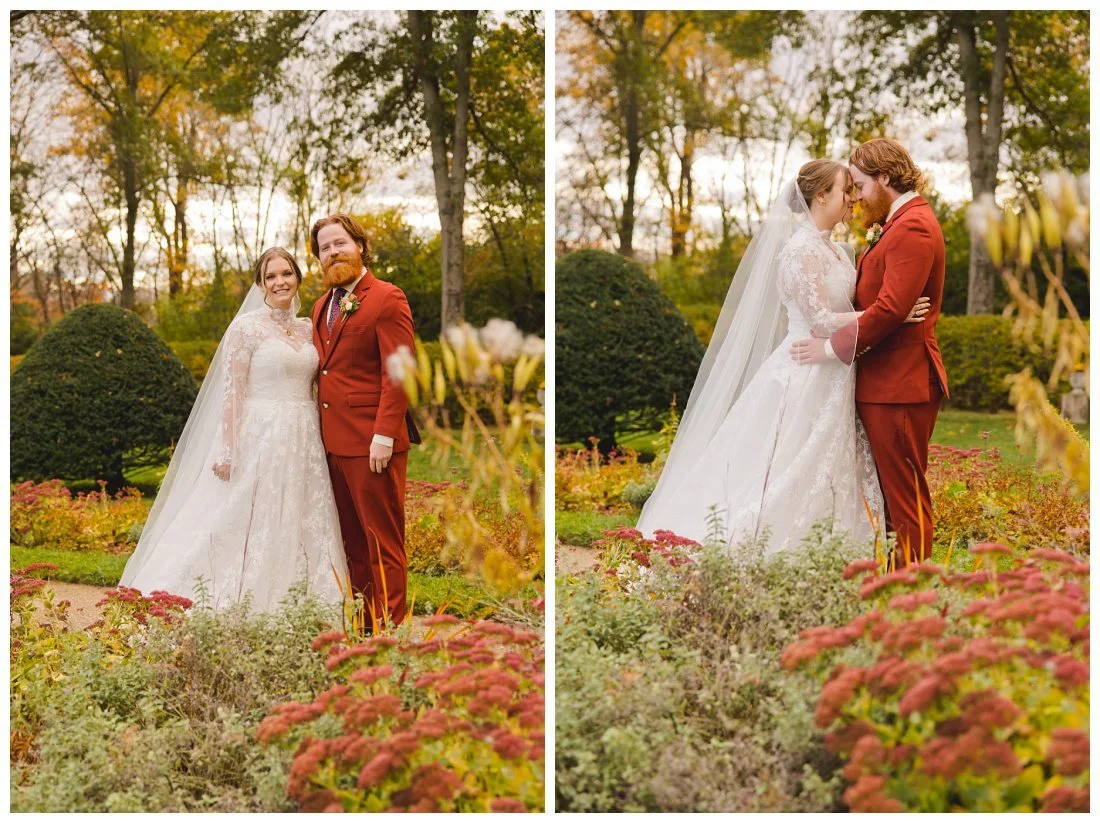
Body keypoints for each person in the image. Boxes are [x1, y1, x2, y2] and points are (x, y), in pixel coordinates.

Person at [636, 159, 929, 555]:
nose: (853, 200)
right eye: (846, 191)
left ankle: (830, 559)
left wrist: (882, 312)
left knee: (832, 471)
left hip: (838, 374)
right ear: (820, 195)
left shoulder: (841, 252)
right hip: (805, 372)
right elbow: (821, 319)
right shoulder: (798, 251)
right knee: (790, 469)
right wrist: (890, 314)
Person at [120, 248, 349, 611]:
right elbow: (233, 391)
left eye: (286, 274)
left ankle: (302, 604)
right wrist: (228, 450)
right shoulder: (245, 329)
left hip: (305, 437)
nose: (279, 282)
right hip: (261, 434)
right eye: (270, 276)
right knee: (240, 517)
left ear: (298, 279)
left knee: (301, 517)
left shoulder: (310, 329)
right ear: (260, 284)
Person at [790, 139, 949, 564]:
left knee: (905, 498)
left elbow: (892, 308)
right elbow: (885, 307)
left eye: (859, 185)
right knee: (892, 498)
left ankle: (911, 593)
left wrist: (829, 348)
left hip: (900, 383)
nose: (856, 197)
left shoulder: (912, 225)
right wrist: (889, 312)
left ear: (883, 178)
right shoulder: (898, 223)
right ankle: (900, 590)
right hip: (884, 381)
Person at [310, 214, 420, 626]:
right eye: (324, 248)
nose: (333, 252)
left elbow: (400, 370)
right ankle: (365, 626)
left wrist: (384, 435)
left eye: (340, 243)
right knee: (352, 545)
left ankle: (391, 631)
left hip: (373, 444)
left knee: (382, 543)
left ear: (360, 246)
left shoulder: (387, 297)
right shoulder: (323, 306)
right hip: (331, 445)